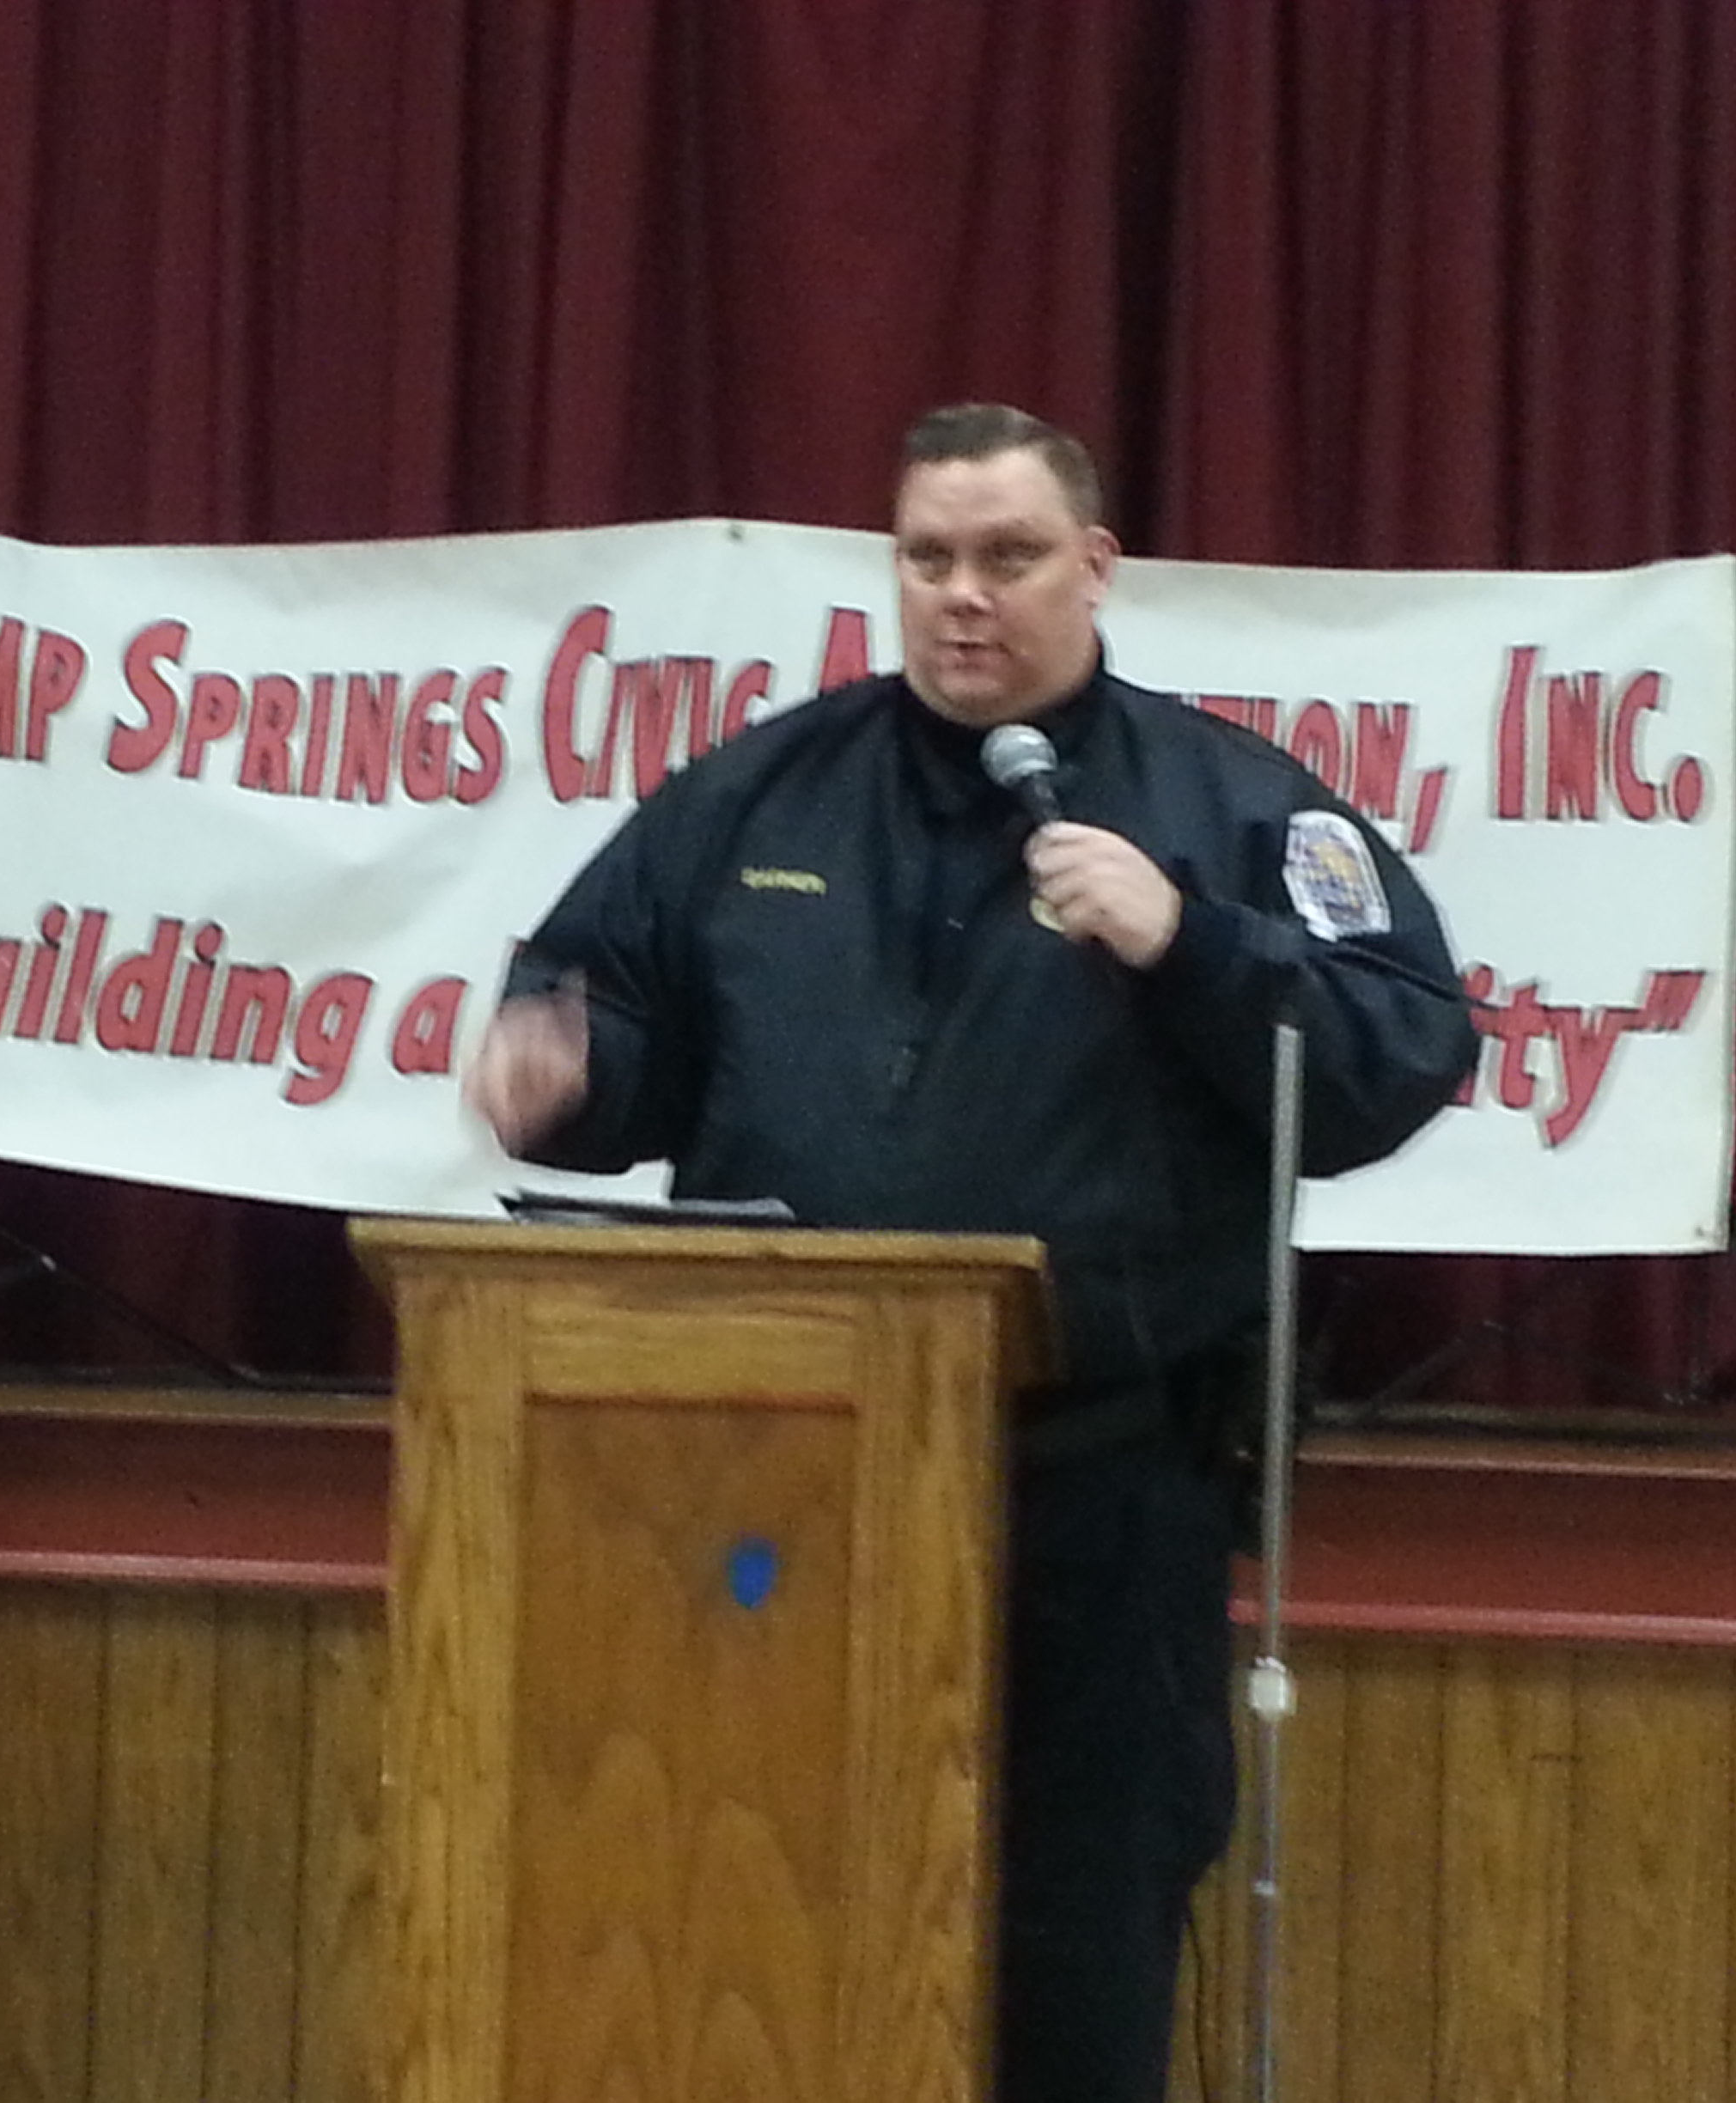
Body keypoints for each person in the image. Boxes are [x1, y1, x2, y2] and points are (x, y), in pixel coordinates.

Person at [466, 403, 1478, 2101]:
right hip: (775, 1485)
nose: (962, 595)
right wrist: (556, 1070)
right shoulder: (757, 792)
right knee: (746, 1911)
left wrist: (1196, 943)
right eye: (928, 557)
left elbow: (1403, 1049)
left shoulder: (1231, 806)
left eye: (1008, 557)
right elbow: (605, 1010)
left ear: (1096, 566)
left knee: (1069, 1955)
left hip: (1097, 1494)